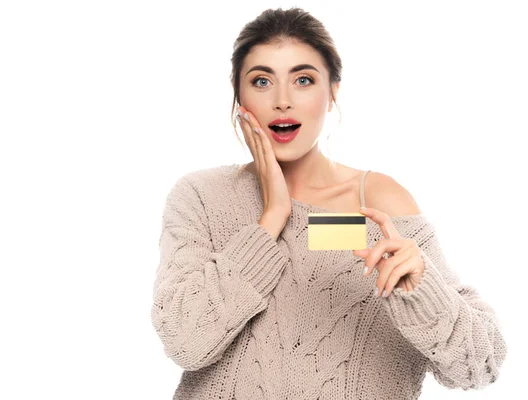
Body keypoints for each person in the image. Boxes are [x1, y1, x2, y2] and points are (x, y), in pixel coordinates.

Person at [150, 7, 507, 399]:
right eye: (262, 80)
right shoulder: (203, 197)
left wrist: (422, 290)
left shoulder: (378, 203)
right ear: (238, 96)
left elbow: (479, 367)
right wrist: (272, 218)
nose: (282, 101)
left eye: (303, 79)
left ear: (332, 92)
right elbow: (183, 339)